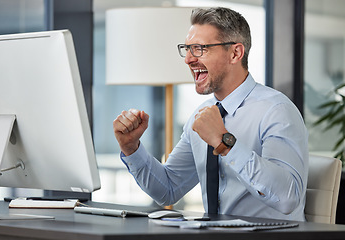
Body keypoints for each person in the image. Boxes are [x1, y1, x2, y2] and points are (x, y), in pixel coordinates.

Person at [113, 7, 308, 221]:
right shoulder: (201, 116)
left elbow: (288, 199)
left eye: (199, 49)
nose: (188, 59)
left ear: (235, 53)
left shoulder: (276, 110)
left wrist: (224, 142)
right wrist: (131, 149)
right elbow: (168, 189)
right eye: (187, 49)